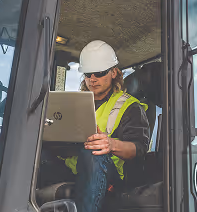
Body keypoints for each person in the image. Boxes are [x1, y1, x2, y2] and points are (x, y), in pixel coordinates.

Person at [39, 40, 150, 212]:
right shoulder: (74, 103)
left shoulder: (130, 107)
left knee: (93, 152)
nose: (92, 79)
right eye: (88, 74)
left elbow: (139, 149)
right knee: (35, 150)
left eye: (99, 73)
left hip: (108, 174)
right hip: (74, 168)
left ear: (114, 72)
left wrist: (110, 144)